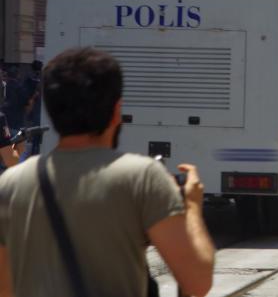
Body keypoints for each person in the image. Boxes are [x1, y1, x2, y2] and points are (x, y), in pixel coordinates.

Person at [0, 47, 215, 297]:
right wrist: (192, 210)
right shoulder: (142, 177)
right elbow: (197, 282)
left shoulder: (10, 185)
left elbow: (5, 289)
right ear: (116, 111)